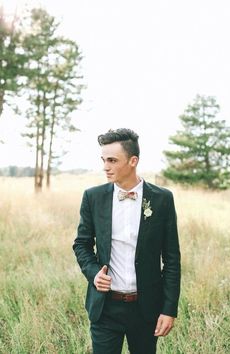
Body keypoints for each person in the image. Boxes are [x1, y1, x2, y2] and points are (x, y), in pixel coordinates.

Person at [73, 128, 181, 354]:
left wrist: (169, 309)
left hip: (146, 308)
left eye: (112, 160)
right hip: (105, 307)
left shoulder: (162, 199)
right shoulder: (93, 197)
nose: (105, 166)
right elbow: (81, 244)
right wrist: (94, 273)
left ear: (133, 161)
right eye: (103, 160)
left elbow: (171, 258)